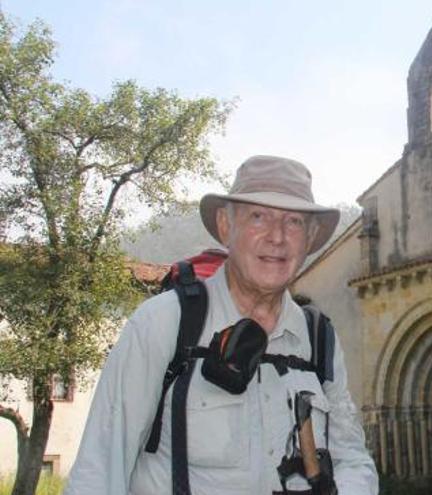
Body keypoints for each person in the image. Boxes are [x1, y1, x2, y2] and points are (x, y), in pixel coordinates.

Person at [65, 156, 379, 495]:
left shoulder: (319, 338)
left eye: (294, 222)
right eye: (258, 217)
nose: (277, 237)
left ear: (310, 237)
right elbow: (99, 471)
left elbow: (352, 459)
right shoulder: (164, 323)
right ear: (226, 226)